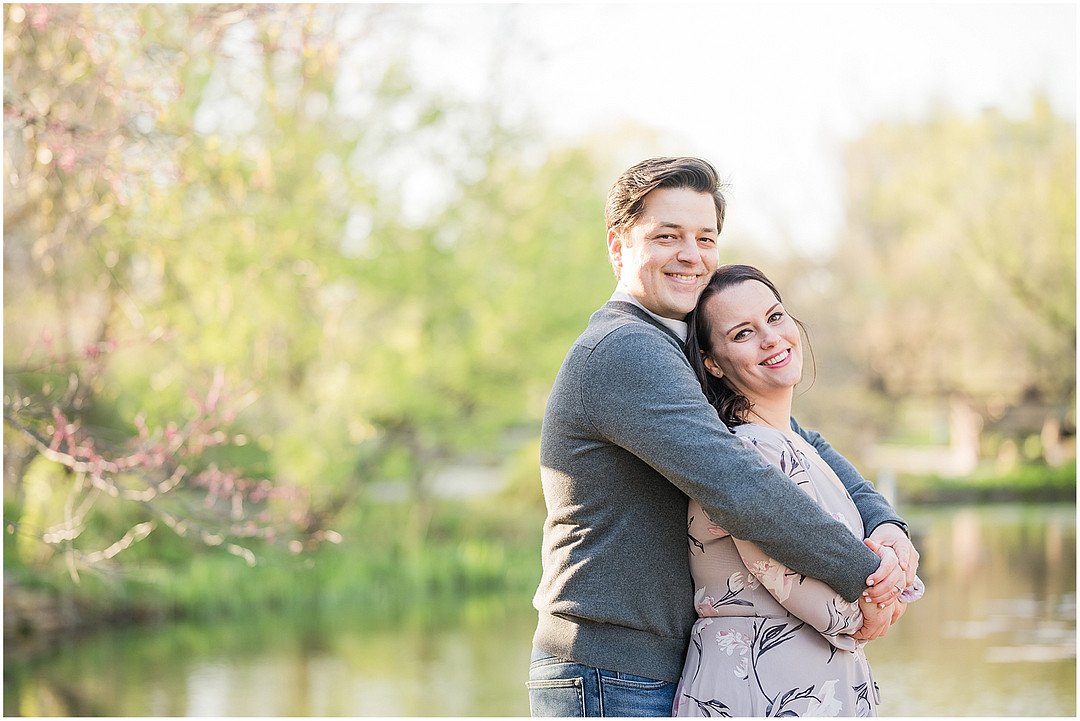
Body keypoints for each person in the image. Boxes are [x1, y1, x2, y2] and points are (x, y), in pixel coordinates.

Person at [527, 157, 919, 717]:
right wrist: (868, 577)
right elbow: (739, 487)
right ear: (618, 246)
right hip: (609, 671)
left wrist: (884, 522)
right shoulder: (622, 349)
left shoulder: (675, 344)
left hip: (649, 664)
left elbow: (795, 436)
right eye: (668, 236)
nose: (692, 255)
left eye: (705, 237)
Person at [673, 264, 924, 717]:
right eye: (743, 333)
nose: (771, 338)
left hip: (809, 678)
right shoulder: (744, 453)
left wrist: (895, 558)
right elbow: (795, 584)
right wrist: (881, 605)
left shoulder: (793, 442)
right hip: (758, 685)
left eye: (774, 317)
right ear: (712, 361)